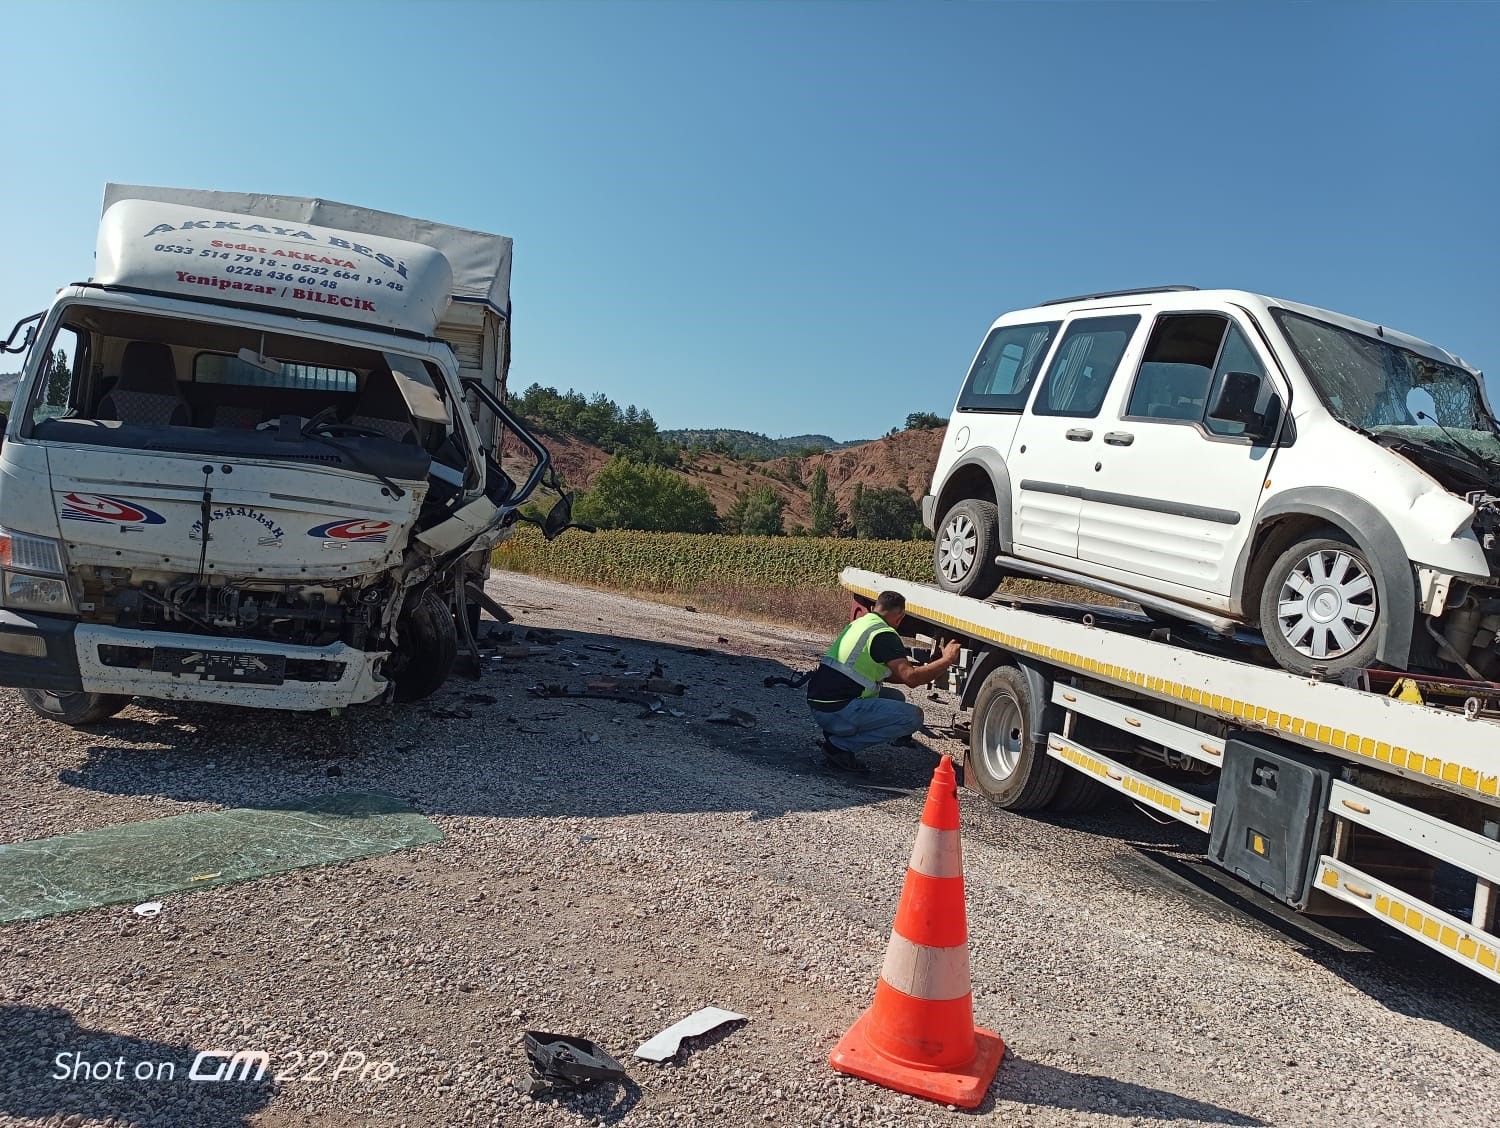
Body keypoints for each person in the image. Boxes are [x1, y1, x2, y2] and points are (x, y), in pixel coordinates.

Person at [806, 590, 962, 772]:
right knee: (913, 717)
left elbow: (891, 674)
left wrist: (925, 667)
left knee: (896, 698)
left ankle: (836, 733)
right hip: (837, 711)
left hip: (822, 704)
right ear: (900, 617)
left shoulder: (861, 624)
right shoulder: (885, 634)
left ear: (874, 608)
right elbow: (911, 678)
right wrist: (947, 660)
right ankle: (839, 746)